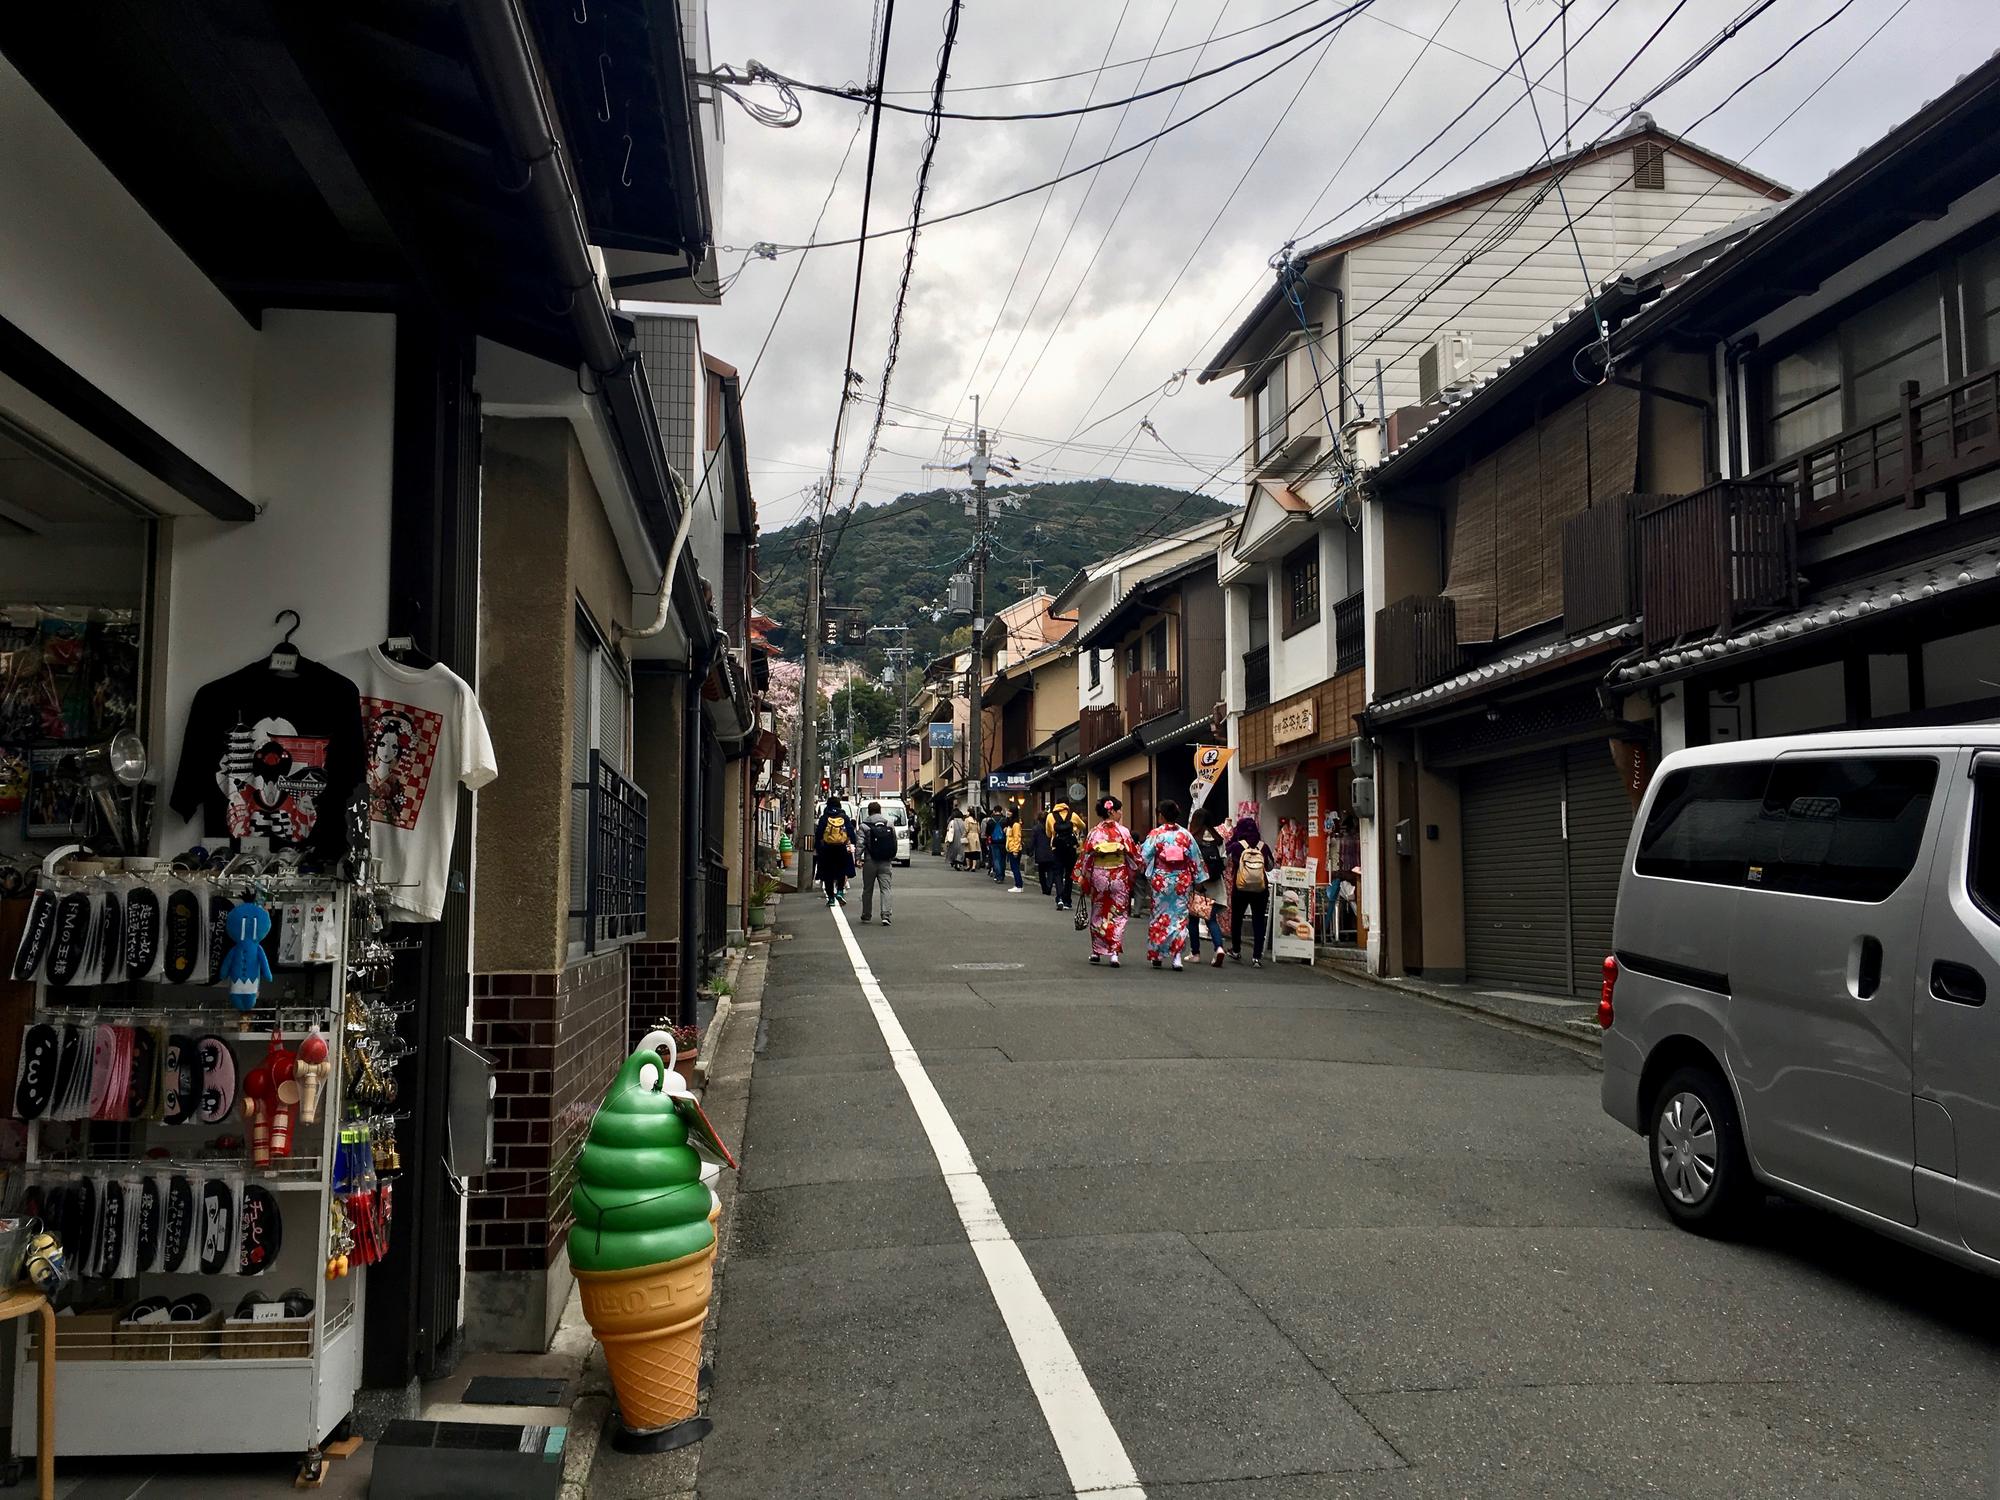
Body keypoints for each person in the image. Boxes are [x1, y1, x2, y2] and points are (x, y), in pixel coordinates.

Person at [1073, 795, 1141, 966]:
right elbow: (1134, 858)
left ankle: (1096, 951)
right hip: (1118, 876)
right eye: (1119, 811)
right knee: (1118, 914)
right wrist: (1132, 876)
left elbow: (1086, 858)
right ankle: (1114, 954)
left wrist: (1084, 878)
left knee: (1099, 911)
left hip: (1099, 877)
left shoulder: (1094, 833)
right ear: (1111, 811)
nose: (1120, 814)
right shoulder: (1123, 832)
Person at [1139, 799, 1199, 970]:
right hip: (1182, 880)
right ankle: (1177, 956)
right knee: (1180, 918)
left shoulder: (1156, 834)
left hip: (1161, 880)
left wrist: (1137, 869)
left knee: (1159, 917)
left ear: (1162, 815)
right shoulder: (1186, 835)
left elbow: (1144, 857)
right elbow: (1195, 859)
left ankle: (1157, 955)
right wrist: (1199, 879)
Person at [1226, 814, 1277, 967]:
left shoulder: (1236, 846)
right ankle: (1256, 957)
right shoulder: (1263, 846)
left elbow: (1226, 861)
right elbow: (1270, 866)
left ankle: (1236, 950)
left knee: (1237, 918)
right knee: (1258, 920)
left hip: (1240, 887)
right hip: (1260, 889)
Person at [1187, 806, 1229, 968]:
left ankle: (1195, 953)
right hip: (1215, 883)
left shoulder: (1192, 838)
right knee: (1211, 919)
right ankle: (1218, 947)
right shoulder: (1218, 838)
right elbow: (1224, 861)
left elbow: (1190, 862)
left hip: (1198, 884)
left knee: (1193, 918)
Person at [859, 800, 898, 926]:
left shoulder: (864, 826)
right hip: (885, 861)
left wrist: (858, 858)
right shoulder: (889, 824)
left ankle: (866, 915)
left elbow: (860, 844)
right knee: (886, 888)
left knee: (867, 889)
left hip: (870, 861)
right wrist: (891, 856)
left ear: (869, 812)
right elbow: (894, 842)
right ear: (880, 811)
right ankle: (886, 915)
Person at [814, 796, 858, 907]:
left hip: (827, 849)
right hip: (841, 848)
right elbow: (851, 833)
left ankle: (831, 899)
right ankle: (839, 891)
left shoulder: (825, 817)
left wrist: (818, 848)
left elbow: (819, 833)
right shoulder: (844, 817)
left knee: (828, 873)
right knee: (841, 870)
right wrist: (853, 844)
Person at [1046, 798, 1084, 911]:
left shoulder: (1050, 816)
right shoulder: (1073, 815)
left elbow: (1048, 833)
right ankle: (1067, 900)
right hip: (1070, 848)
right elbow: (1083, 825)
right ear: (1067, 804)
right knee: (1069, 874)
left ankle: (1059, 898)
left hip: (1056, 848)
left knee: (1057, 873)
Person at [1030, 810, 1058, 897]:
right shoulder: (1052, 827)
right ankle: (1049, 886)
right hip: (1051, 851)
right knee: (1050, 870)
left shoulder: (1035, 828)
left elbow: (1033, 841)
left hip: (1040, 852)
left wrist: (1030, 850)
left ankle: (1044, 888)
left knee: (1041, 871)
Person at [1002, 807, 1026, 891]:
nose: (1008, 812)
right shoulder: (1010, 823)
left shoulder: (1016, 824)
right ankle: (1018, 885)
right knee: (1014, 867)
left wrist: (1016, 850)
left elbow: (1017, 838)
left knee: (1015, 867)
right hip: (1010, 847)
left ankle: (1018, 885)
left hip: (1014, 849)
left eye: (1009, 811)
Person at [987, 807, 1008, 883]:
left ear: (994, 811)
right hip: (1003, 842)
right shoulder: (1005, 820)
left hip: (994, 842)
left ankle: (998, 876)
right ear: (1001, 811)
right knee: (1003, 859)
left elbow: (988, 833)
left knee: (996, 859)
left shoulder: (990, 821)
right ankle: (1002, 875)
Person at [944, 807, 965, 872]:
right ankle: (959, 862)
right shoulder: (963, 822)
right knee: (960, 851)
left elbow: (948, 830)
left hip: (953, 838)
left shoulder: (952, 822)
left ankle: (953, 861)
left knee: (953, 850)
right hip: (961, 838)